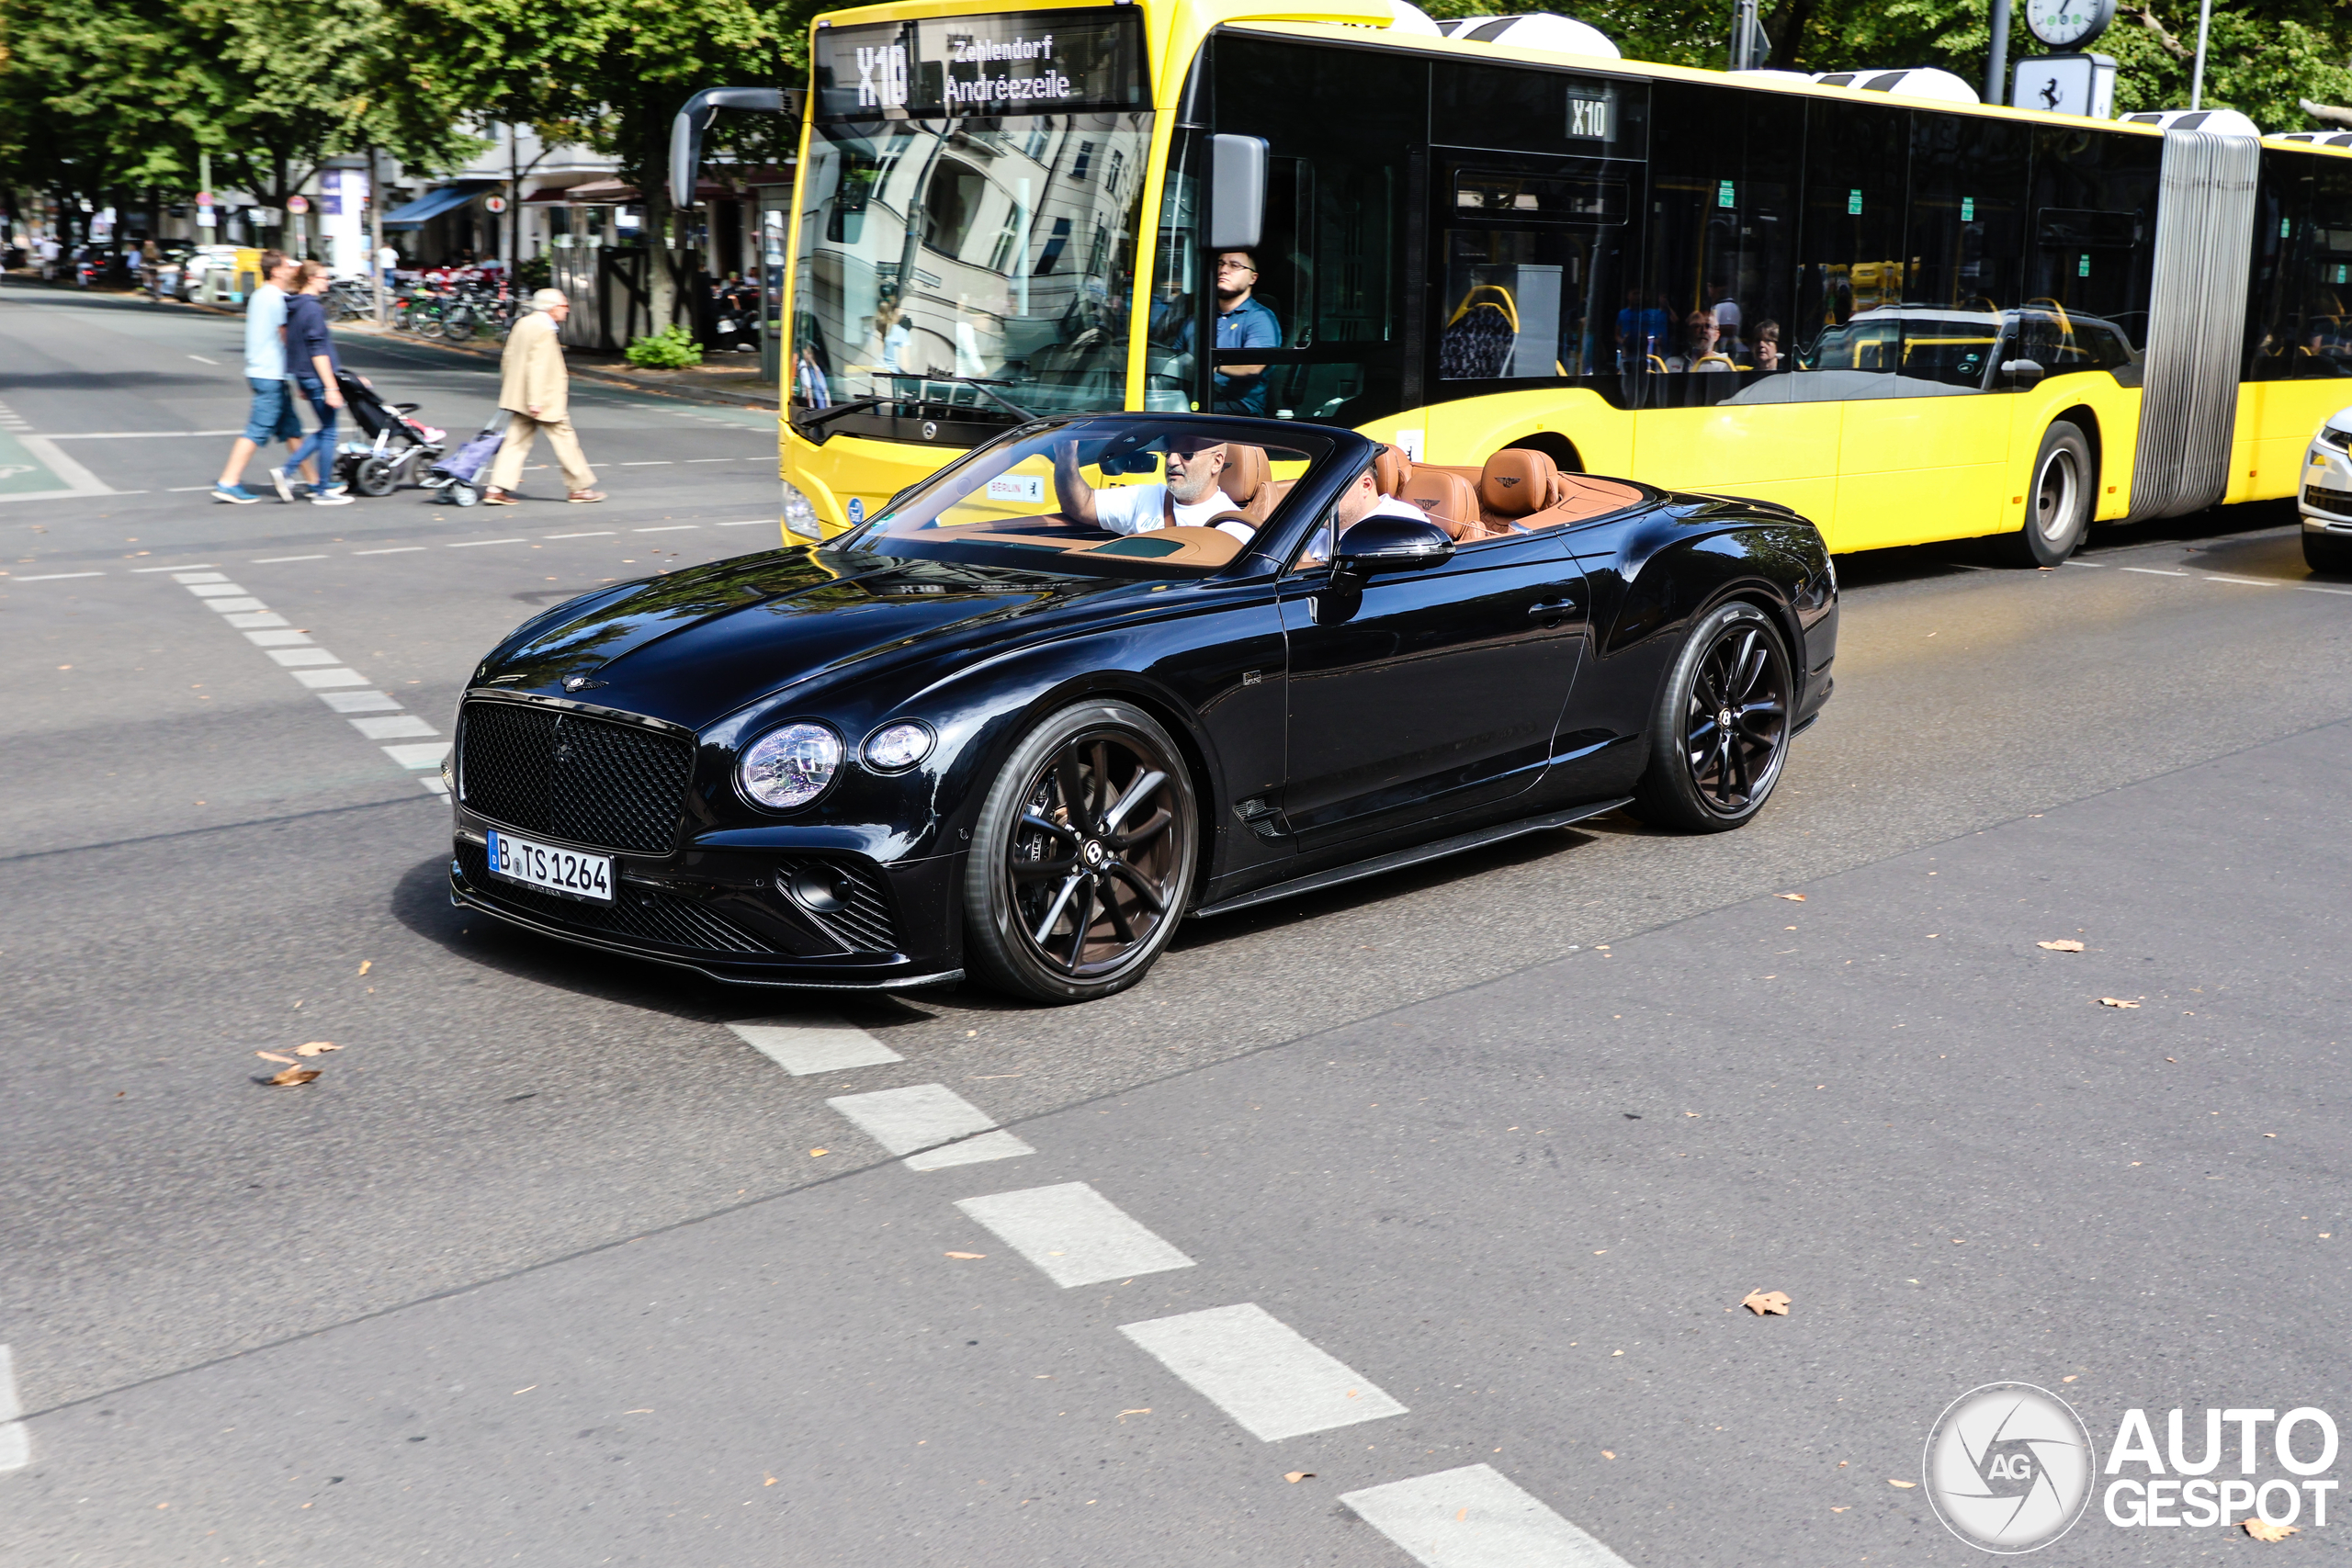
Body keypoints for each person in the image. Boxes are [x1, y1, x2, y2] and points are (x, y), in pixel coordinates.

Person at [483, 288, 603, 505]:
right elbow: (539, 367)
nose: (567, 311)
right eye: (564, 306)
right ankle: (579, 489)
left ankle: (495, 489)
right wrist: (535, 400)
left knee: (515, 442)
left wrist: (513, 390)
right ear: (552, 307)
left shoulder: (523, 323)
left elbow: (508, 358)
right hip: (543, 399)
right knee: (565, 439)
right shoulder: (544, 329)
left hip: (521, 396)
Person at [211, 249, 304, 504]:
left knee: (292, 430)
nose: (292, 270)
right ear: (275, 270)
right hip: (270, 373)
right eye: (287, 266)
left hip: (265, 371)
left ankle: (317, 481)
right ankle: (228, 482)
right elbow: (286, 336)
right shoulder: (277, 299)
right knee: (257, 429)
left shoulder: (261, 295)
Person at [1051, 435, 1255, 543]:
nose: (1172, 461)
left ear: (1216, 462)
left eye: (1186, 454)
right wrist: (1066, 457)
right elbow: (1082, 505)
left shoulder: (1234, 528)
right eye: (1168, 453)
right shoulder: (1147, 496)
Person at [276, 260, 353, 505]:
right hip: (318, 377)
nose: (327, 282)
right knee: (329, 431)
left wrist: (301, 380)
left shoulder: (295, 305)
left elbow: (291, 342)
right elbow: (317, 350)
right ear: (311, 279)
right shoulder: (312, 309)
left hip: (304, 375)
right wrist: (331, 387)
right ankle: (320, 489)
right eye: (323, 278)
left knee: (326, 428)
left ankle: (291, 472)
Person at [1175, 251, 1281, 413]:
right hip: (1194, 396)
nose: (1224, 270)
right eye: (1220, 264)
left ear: (1253, 278)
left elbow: (1253, 366)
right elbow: (1174, 356)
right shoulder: (1197, 319)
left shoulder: (1260, 318)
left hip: (1238, 407)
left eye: (1235, 265)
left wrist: (1209, 366)